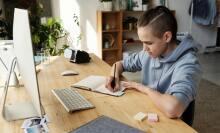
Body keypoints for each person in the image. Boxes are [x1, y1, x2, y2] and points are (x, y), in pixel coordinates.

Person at [105, 6, 202, 119]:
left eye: (149, 43)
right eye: (142, 42)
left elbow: (173, 109)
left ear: (167, 37)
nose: (144, 49)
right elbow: (119, 64)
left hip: (173, 124)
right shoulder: (149, 53)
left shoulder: (188, 64)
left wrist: (143, 88)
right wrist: (114, 76)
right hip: (149, 112)